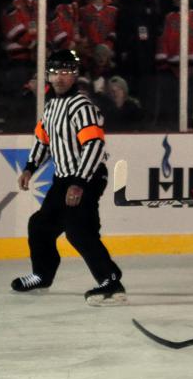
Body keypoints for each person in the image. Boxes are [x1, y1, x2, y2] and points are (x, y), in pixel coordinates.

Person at [12, 50, 126, 306]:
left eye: (66, 72)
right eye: (55, 72)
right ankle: (42, 275)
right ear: (48, 75)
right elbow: (42, 140)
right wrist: (30, 167)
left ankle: (110, 282)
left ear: (75, 75)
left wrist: (79, 183)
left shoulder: (82, 107)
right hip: (64, 179)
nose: (60, 77)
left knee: (78, 231)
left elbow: (94, 146)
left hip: (88, 176)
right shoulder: (51, 107)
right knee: (40, 226)